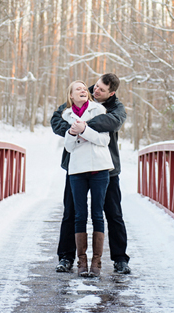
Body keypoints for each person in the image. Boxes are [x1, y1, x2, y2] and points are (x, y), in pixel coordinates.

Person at [51, 73, 131, 276]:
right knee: (72, 212)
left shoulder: (115, 108)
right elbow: (57, 118)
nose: (94, 91)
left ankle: (120, 259)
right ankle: (66, 257)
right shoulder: (81, 95)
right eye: (95, 87)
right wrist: (73, 128)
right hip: (76, 165)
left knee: (112, 214)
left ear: (111, 93)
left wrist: (84, 125)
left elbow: (113, 122)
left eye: (101, 90)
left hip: (106, 167)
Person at [60, 80, 114, 277]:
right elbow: (68, 147)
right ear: (71, 96)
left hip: (99, 169)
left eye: (85, 88)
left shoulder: (98, 110)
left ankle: (96, 263)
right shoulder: (66, 115)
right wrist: (72, 133)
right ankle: (81, 262)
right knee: (79, 215)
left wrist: (84, 131)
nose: (83, 90)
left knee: (97, 214)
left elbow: (104, 140)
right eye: (77, 89)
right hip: (77, 170)